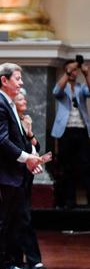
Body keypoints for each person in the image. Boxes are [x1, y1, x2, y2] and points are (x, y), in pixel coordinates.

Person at [0, 63, 43, 269]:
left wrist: (28, 157)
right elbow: (1, 140)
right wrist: (25, 157)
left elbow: (16, 137)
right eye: (17, 78)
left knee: (8, 225)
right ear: (4, 80)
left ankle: (6, 266)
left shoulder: (6, 103)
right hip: (3, 175)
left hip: (13, 174)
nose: (21, 82)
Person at [51, 59, 90, 209]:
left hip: (81, 130)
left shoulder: (81, 87)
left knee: (85, 166)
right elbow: (55, 92)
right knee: (66, 167)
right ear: (66, 71)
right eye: (71, 70)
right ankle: (68, 201)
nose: (74, 72)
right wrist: (67, 72)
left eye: (75, 70)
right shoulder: (62, 86)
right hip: (65, 131)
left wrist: (86, 73)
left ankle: (87, 201)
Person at [13, 90, 45, 269]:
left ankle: (29, 259)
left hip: (27, 175)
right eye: (20, 98)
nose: (24, 100)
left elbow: (35, 146)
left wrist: (30, 132)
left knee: (25, 216)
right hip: (17, 172)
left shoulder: (25, 119)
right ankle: (26, 260)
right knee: (21, 217)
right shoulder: (12, 120)